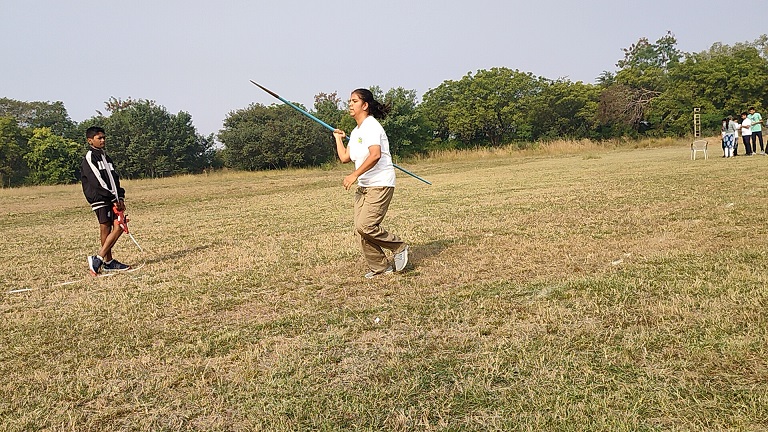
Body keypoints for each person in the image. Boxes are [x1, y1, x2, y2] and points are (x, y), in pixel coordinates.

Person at [333, 88, 409, 278]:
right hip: (364, 186)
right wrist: (338, 139)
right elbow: (345, 157)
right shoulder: (356, 131)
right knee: (360, 231)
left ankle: (399, 246)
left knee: (366, 226)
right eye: (350, 101)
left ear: (365, 105)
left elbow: (375, 155)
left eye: (354, 101)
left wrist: (354, 175)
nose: (350, 104)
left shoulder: (372, 126)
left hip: (380, 183)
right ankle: (381, 268)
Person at [80, 126, 131, 275]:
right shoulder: (90, 157)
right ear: (90, 140)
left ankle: (101, 259)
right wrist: (112, 197)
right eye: (99, 138)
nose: (103, 140)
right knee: (106, 227)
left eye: (104, 137)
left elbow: (115, 179)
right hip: (100, 198)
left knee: (119, 226)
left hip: (113, 198)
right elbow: (97, 181)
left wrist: (120, 197)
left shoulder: (106, 158)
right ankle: (105, 260)